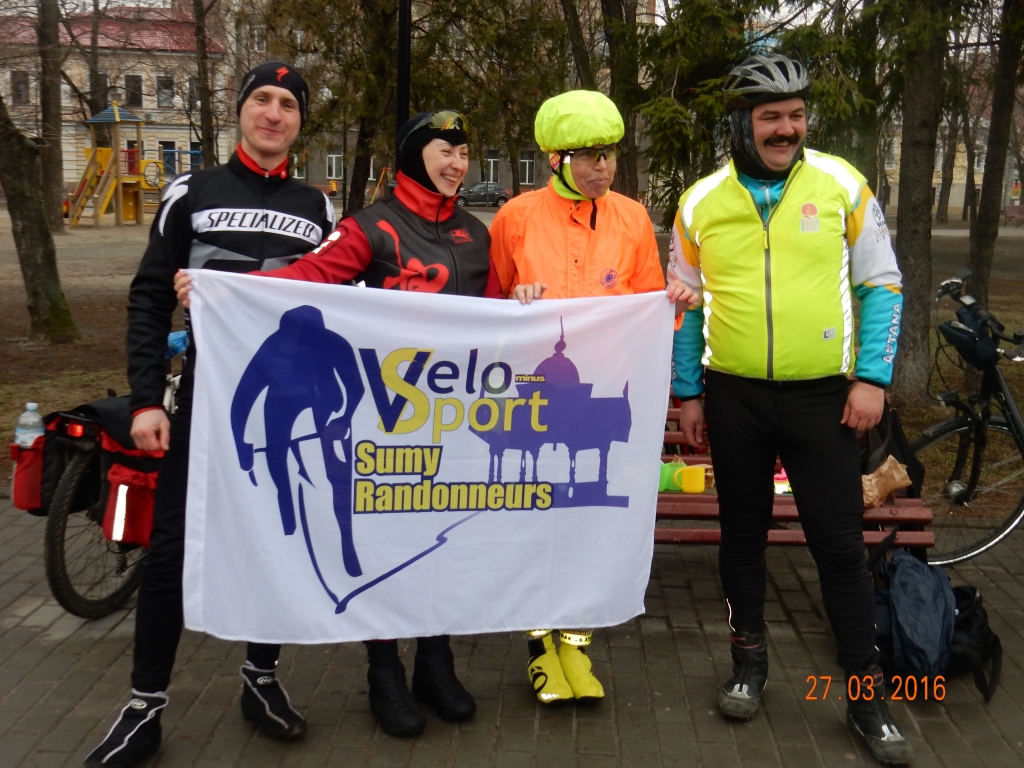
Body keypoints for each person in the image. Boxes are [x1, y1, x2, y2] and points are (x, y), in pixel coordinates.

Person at [176, 110, 500, 738]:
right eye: (444, 151)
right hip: (380, 419)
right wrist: (222, 290)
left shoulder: (475, 233)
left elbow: (492, 316)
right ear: (413, 157)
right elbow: (303, 280)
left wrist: (525, 306)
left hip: (447, 416)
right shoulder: (369, 227)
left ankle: (436, 660)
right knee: (383, 537)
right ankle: (384, 668)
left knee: (437, 533)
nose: (457, 164)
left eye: (464, 153)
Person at [85, 61, 335, 767]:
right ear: (241, 108)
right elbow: (146, 298)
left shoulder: (319, 209)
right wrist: (144, 399)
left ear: (299, 122)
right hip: (202, 402)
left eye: (288, 104)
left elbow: (338, 304)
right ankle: (144, 708)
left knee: (277, 541)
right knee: (169, 551)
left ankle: (261, 678)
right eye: (263, 99)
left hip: (285, 408)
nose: (274, 113)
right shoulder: (190, 193)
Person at [669, 53, 911, 765]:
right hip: (734, 395)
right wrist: (688, 392)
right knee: (741, 537)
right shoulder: (700, 201)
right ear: (740, 124)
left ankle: (866, 696)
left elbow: (882, 284)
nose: (786, 129)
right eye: (770, 116)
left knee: (838, 547)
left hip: (824, 399)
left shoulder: (842, 184)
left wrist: (872, 379)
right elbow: (685, 305)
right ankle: (748, 663)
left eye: (796, 115)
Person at [489, 89, 687, 705]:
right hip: (536, 398)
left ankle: (576, 644)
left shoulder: (632, 219)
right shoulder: (516, 217)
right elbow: (489, 309)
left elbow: (650, 307)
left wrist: (676, 301)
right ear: (556, 159)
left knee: (590, 525)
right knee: (536, 520)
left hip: (600, 394)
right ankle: (538, 646)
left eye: (609, 155)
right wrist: (515, 302)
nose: (603, 167)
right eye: (588, 156)